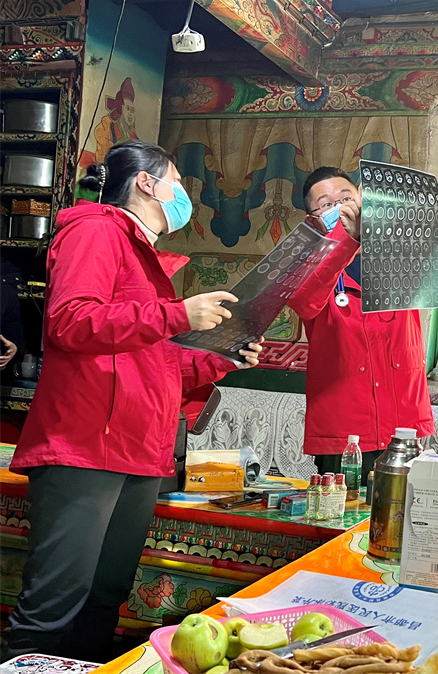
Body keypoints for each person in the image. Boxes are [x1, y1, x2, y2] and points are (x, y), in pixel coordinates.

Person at [1, 140, 264, 663]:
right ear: (147, 182)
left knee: (105, 598)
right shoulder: (96, 229)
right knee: (53, 606)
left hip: (140, 448)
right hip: (85, 446)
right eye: (178, 183)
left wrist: (224, 358)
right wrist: (177, 315)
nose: (184, 196)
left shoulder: (145, 259)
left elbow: (157, 365)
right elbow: (70, 321)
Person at [289, 166, 438, 479]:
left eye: (346, 197)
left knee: (402, 509)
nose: (341, 207)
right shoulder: (309, 266)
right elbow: (304, 302)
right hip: (343, 432)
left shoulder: (399, 255)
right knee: (342, 509)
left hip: (403, 424)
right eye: (326, 204)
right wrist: (347, 239)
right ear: (313, 220)